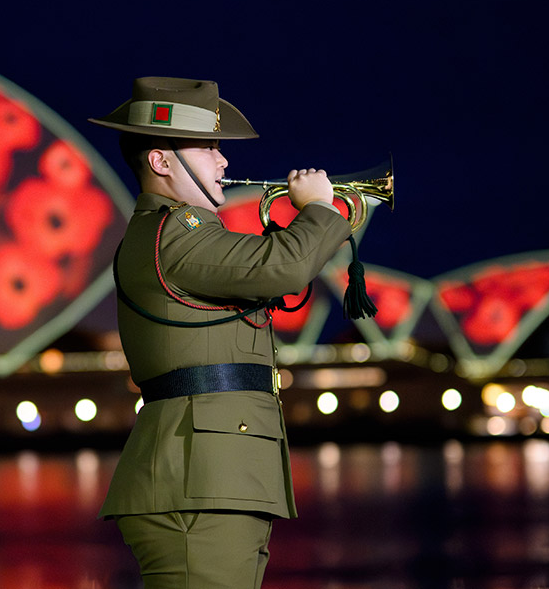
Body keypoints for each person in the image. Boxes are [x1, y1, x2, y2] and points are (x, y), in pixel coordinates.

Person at [87, 76, 353, 588]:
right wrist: (320, 208)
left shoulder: (179, 232)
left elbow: (262, 269)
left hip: (214, 477)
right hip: (200, 481)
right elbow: (284, 267)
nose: (223, 161)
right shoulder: (175, 232)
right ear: (161, 161)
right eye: (207, 148)